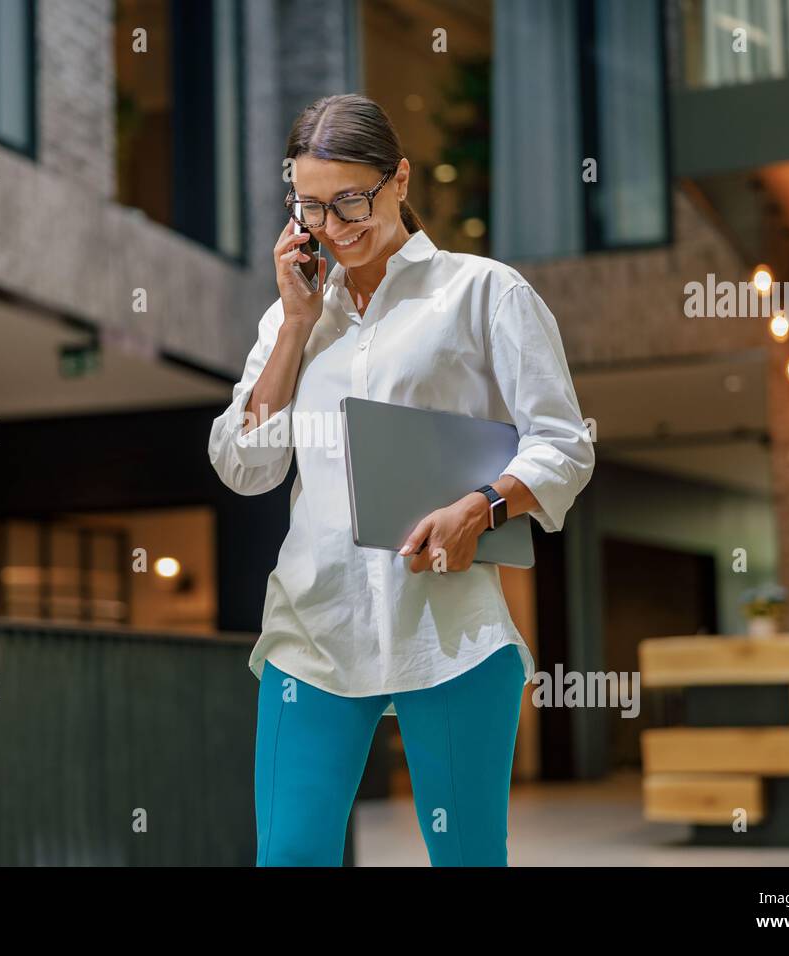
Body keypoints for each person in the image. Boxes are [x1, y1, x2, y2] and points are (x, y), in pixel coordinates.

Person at [207, 94, 595, 866]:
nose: (336, 224)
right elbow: (244, 466)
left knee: (467, 858)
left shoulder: (484, 292)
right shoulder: (293, 315)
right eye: (311, 206)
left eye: (352, 198)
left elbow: (564, 443)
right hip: (311, 631)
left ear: (401, 178)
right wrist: (291, 326)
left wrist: (482, 507)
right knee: (289, 857)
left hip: (446, 628)